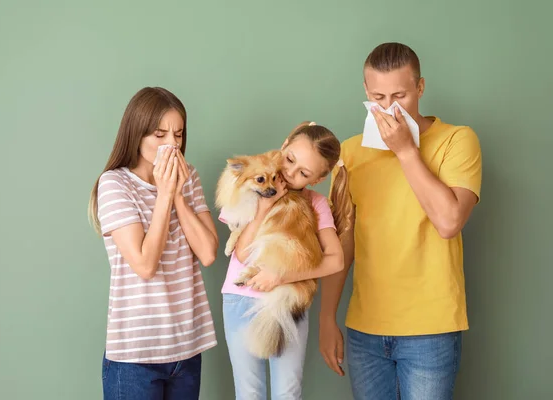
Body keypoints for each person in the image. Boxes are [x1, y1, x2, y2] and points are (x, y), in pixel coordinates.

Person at [319, 42, 483, 400]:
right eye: (378, 97)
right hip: (364, 331)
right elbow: (341, 245)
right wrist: (326, 318)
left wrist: (406, 151)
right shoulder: (349, 153)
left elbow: (449, 222)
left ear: (420, 88)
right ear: (365, 91)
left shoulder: (458, 140)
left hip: (432, 330)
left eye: (400, 96)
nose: (388, 108)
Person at [87, 87, 219, 400]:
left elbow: (208, 252)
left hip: (186, 349)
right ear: (137, 134)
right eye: (160, 134)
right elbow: (145, 265)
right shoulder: (114, 184)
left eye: (178, 134)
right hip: (135, 357)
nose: (172, 144)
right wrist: (163, 195)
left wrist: (176, 194)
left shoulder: (190, 178)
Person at [218, 121, 352, 400]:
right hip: (240, 296)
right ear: (283, 147)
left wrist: (281, 276)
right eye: (289, 160)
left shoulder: (315, 204)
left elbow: (336, 261)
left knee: (288, 392)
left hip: (288, 298)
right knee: (249, 392)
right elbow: (242, 254)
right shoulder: (253, 184)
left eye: (303, 173)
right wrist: (264, 206)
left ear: (316, 180)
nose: (290, 173)